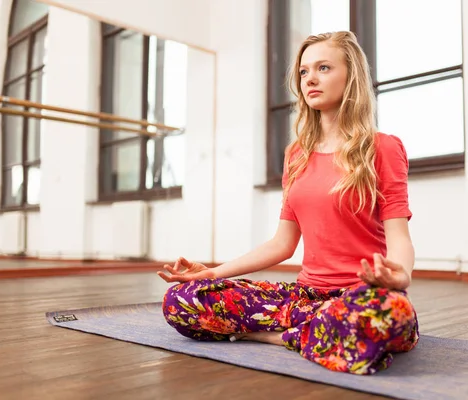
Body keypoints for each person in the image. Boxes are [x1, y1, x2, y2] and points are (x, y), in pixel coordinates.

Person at [158, 31, 419, 376]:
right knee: (182, 300)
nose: (310, 78)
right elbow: (283, 244)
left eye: (323, 67)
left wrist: (400, 277)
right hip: (306, 297)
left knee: (385, 314)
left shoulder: (383, 148)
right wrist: (211, 272)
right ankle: (311, 334)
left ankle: (271, 335)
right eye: (303, 71)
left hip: (362, 297)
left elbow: (399, 236)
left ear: (350, 75)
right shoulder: (296, 155)